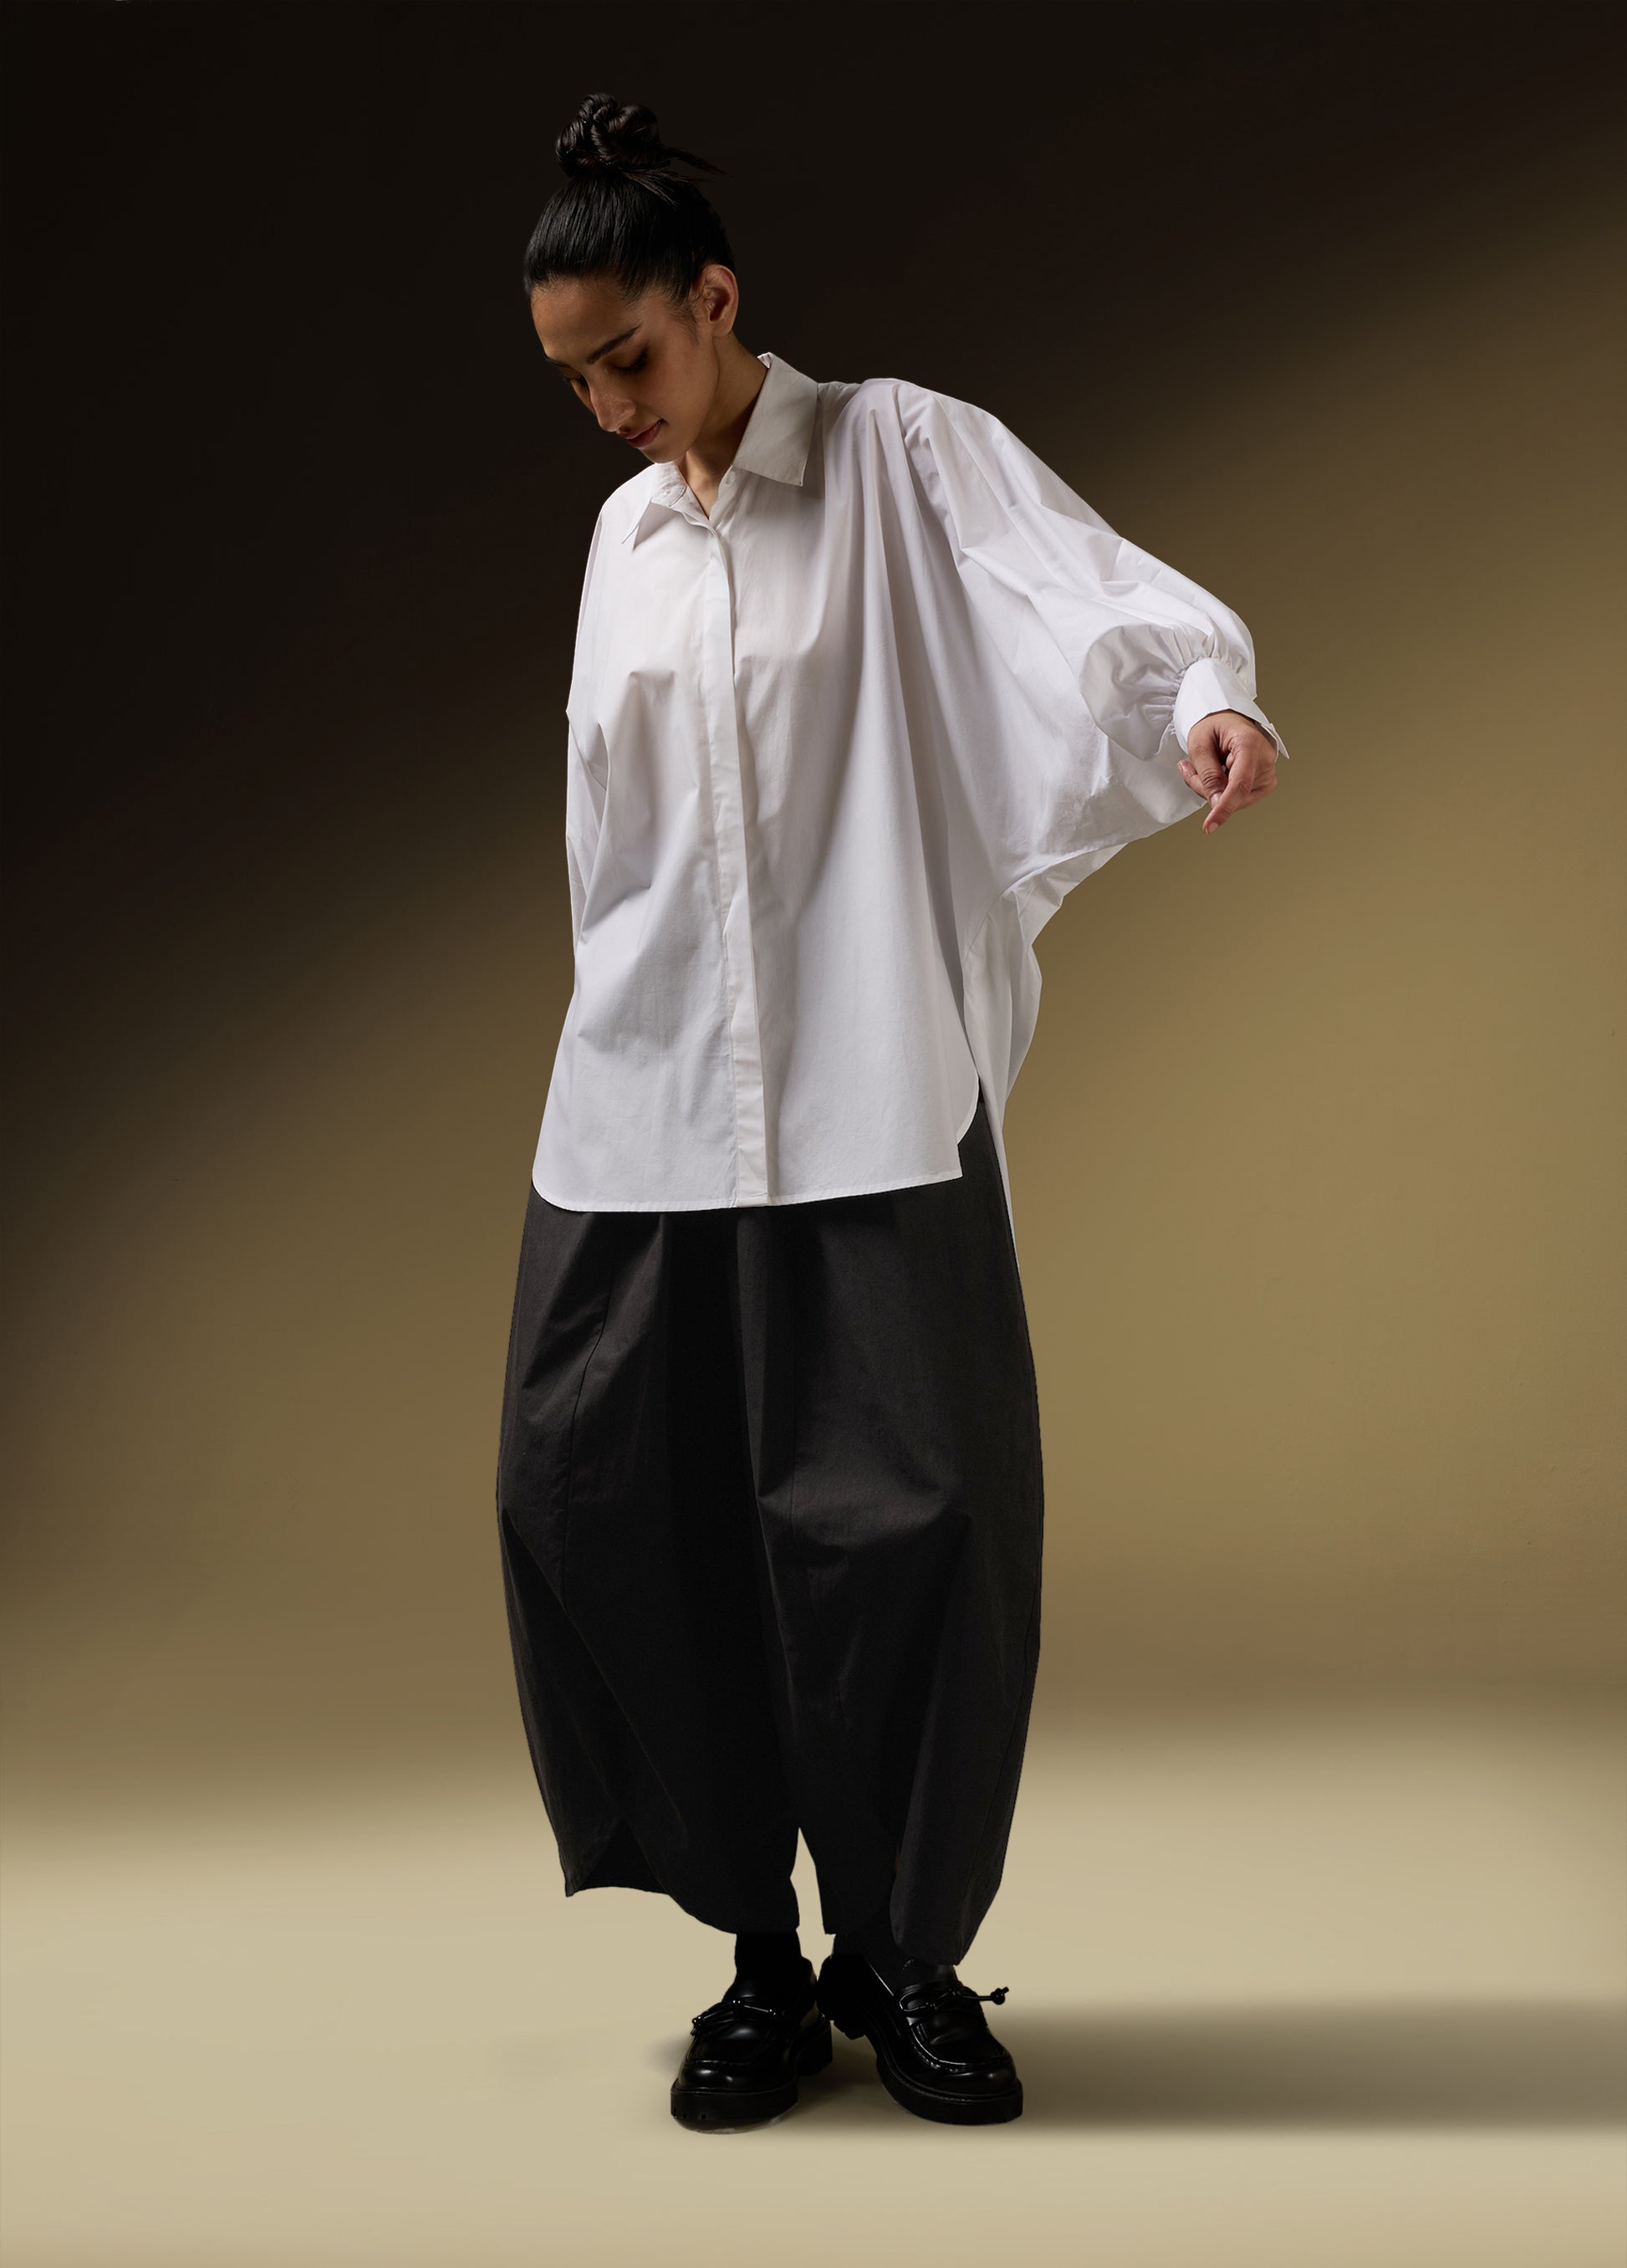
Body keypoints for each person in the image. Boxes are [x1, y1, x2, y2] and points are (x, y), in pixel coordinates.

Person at [497, 91, 1290, 2133]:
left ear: (715, 298)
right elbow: (604, 838)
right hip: (645, 1102)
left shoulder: (895, 453)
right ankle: (759, 1964)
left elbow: (1074, 593)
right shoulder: (620, 543)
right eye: (572, 380)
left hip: (871, 1092)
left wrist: (1196, 696)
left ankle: (906, 1961)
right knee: (614, 1509)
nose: (606, 408)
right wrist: (615, 1030)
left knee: (914, 1527)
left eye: (627, 356)